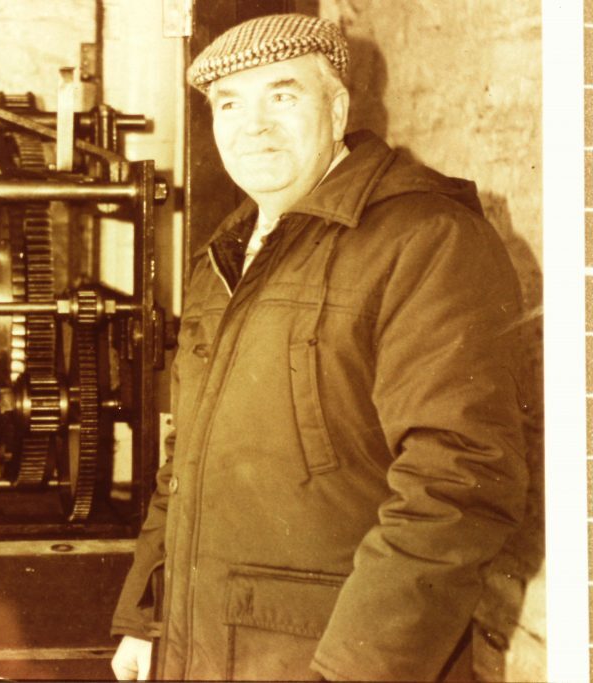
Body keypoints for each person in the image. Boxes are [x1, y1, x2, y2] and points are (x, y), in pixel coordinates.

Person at [110, 13, 528, 682]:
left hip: (331, 656)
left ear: (336, 108)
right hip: (208, 643)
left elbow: (455, 486)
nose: (254, 125)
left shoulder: (426, 238)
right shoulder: (222, 258)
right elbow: (185, 457)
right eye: (229, 103)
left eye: (282, 94)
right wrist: (146, 617)